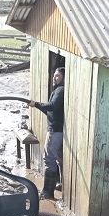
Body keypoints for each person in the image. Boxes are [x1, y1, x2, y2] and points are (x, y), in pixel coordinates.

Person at [29, 67, 65, 200]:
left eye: (58, 76)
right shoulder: (58, 90)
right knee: (59, 158)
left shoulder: (60, 90)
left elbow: (53, 106)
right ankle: (60, 184)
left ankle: (47, 192)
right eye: (54, 76)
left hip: (55, 130)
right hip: (59, 130)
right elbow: (52, 110)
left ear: (64, 78)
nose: (55, 78)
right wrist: (38, 106)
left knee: (49, 158)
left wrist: (36, 104)